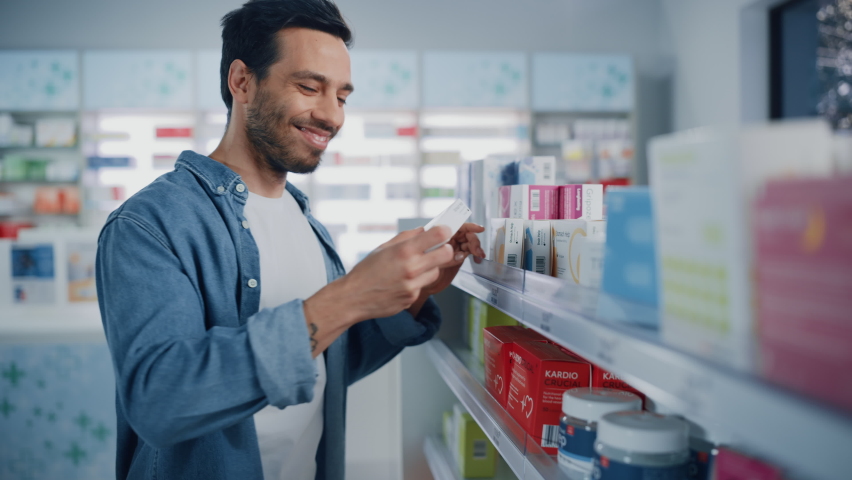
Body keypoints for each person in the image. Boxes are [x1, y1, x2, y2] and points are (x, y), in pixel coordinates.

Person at [95, 1, 485, 479]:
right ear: (242, 81)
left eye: (342, 96)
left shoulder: (306, 224)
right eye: (309, 87)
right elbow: (161, 400)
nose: (331, 116)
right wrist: (349, 296)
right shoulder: (149, 225)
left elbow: (324, 363)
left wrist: (412, 289)